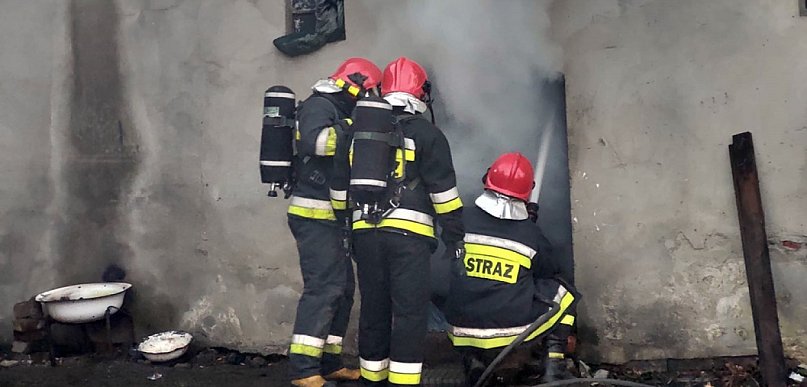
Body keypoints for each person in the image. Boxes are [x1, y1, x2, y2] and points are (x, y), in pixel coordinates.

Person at [341, 57, 465, 386]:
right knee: (409, 313)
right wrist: (455, 237)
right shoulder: (427, 134)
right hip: (408, 238)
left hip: (365, 233)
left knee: (374, 309)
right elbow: (444, 193)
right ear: (419, 94)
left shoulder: (361, 131)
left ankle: (372, 379)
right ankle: (404, 382)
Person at [443, 152, 579, 386]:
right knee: (565, 293)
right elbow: (549, 270)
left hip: (459, 328)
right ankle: (553, 369)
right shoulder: (529, 234)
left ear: (487, 179)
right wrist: (528, 228)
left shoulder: (461, 219)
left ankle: (473, 360)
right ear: (527, 192)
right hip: (508, 332)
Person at [287, 57, 382, 387]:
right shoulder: (319, 105)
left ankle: (328, 362)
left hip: (334, 216)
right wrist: (352, 130)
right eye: (369, 92)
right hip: (314, 215)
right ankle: (302, 369)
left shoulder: (340, 109)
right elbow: (316, 142)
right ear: (355, 85)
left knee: (343, 290)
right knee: (323, 288)